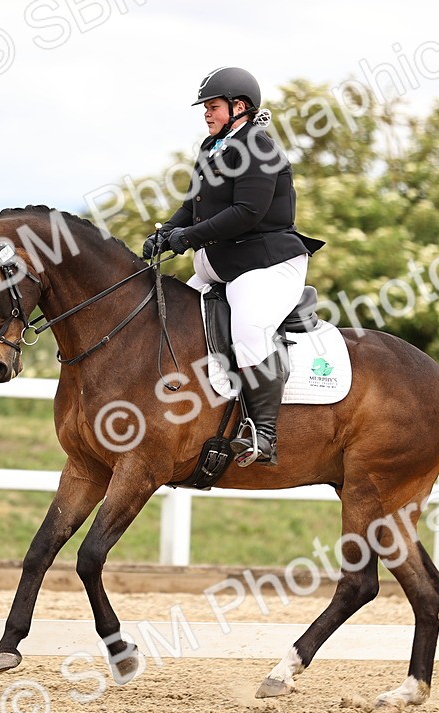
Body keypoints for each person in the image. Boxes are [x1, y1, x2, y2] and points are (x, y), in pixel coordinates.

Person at [143, 67, 323, 467]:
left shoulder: (260, 148)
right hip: (221, 264)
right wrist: (166, 233)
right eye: (205, 107)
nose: (206, 114)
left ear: (238, 107)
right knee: (166, 315)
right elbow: (191, 206)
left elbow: (247, 212)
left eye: (213, 106)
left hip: (265, 264)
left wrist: (186, 238)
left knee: (247, 328)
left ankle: (264, 434)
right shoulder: (212, 147)